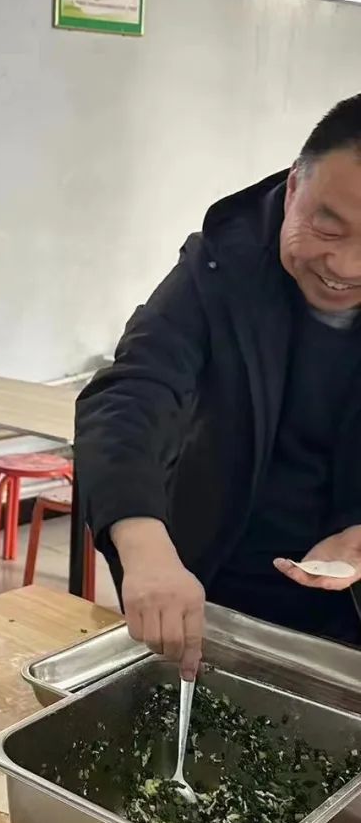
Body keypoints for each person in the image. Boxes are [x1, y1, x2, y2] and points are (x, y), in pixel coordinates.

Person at [76, 93, 361, 679]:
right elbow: (133, 391)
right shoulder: (221, 265)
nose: (346, 267)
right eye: (328, 228)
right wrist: (142, 541)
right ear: (293, 187)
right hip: (212, 592)